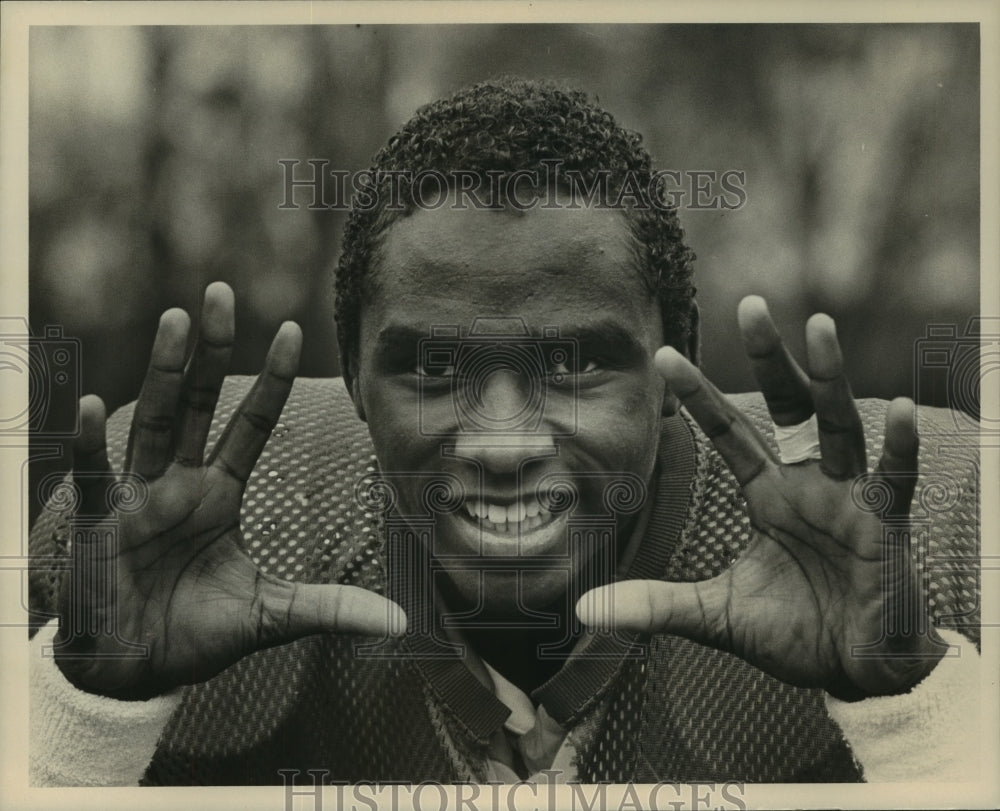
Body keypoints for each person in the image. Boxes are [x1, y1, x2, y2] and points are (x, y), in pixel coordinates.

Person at [28, 78, 981, 786]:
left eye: (572, 365)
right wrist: (84, 717)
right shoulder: (152, 534)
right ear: (356, 379)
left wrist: (913, 708)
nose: (501, 443)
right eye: (433, 369)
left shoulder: (936, 528)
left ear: (670, 373)